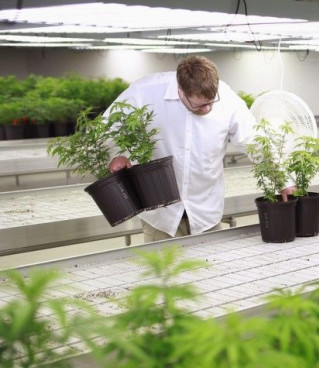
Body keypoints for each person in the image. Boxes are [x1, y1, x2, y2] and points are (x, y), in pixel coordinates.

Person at [106, 55, 295, 242]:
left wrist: (283, 180)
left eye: (212, 101)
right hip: (160, 215)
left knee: (209, 270)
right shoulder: (144, 92)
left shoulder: (227, 98)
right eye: (200, 104)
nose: (207, 109)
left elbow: (254, 141)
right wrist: (117, 155)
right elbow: (105, 130)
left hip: (206, 211)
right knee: (164, 271)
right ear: (181, 90)